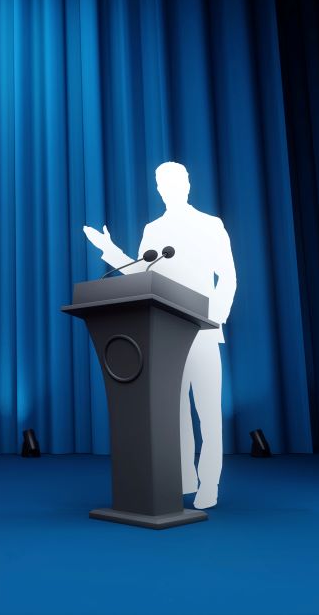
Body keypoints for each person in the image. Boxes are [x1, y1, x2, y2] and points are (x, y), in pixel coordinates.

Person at [83, 161, 236, 509]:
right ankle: (183, 477)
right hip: (166, 331)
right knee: (174, 409)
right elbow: (144, 271)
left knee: (208, 410)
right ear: (158, 189)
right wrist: (110, 250)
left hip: (203, 330)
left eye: (176, 181)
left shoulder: (209, 225)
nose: (170, 188)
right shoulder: (154, 229)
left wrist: (215, 318)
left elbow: (227, 276)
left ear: (187, 184)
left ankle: (209, 482)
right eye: (162, 183)